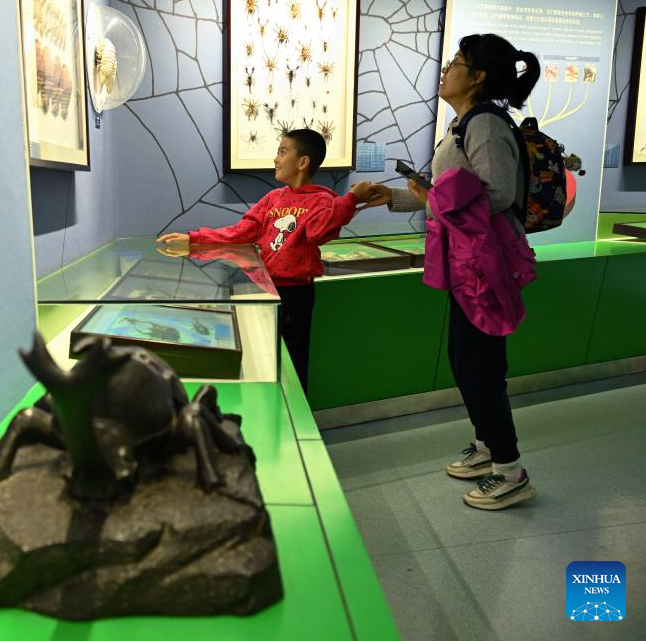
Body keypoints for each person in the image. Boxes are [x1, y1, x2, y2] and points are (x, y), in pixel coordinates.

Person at [363, 33, 541, 510]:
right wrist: (396, 197)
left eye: (457, 61)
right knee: (465, 359)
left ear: (478, 77)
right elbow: (449, 194)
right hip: (466, 262)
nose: (446, 69)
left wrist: (428, 197)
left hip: (485, 265)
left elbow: (496, 193)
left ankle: (510, 470)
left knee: (480, 366)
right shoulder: (464, 124)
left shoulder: (485, 125)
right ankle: (487, 446)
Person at [157, 128, 380, 393]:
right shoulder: (274, 198)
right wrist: (194, 238)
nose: (276, 158)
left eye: (282, 152)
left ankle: (293, 407)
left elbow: (320, 231)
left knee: (292, 358)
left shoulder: (322, 200)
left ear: (303, 162)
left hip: (296, 294)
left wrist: (351, 199)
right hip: (264, 288)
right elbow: (240, 232)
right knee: (263, 354)